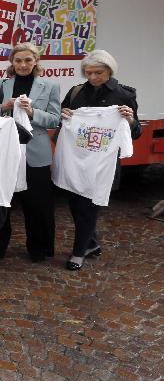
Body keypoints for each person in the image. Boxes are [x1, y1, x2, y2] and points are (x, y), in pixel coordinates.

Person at [60, 50, 141, 271]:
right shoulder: (76, 92)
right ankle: (91, 243)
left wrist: (131, 120)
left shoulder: (124, 95)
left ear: (109, 70)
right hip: (76, 160)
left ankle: (78, 252)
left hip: (103, 163)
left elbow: (136, 132)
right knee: (75, 204)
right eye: (89, 73)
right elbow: (63, 120)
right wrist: (65, 116)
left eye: (98, 72)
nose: (93, 77)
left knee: (89, 207)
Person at [0, 43, 61, 262]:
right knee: (0, 202)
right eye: (18, 61)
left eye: (27, 60)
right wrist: (4, 106)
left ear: (36, 61)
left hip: (35, 151)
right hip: (5, 151)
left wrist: (33, 111)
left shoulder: (50, 86)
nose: (23, 65)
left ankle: (39, 248)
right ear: (12, 62)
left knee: (38, 204)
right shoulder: (1, 84)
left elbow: (55, 119)